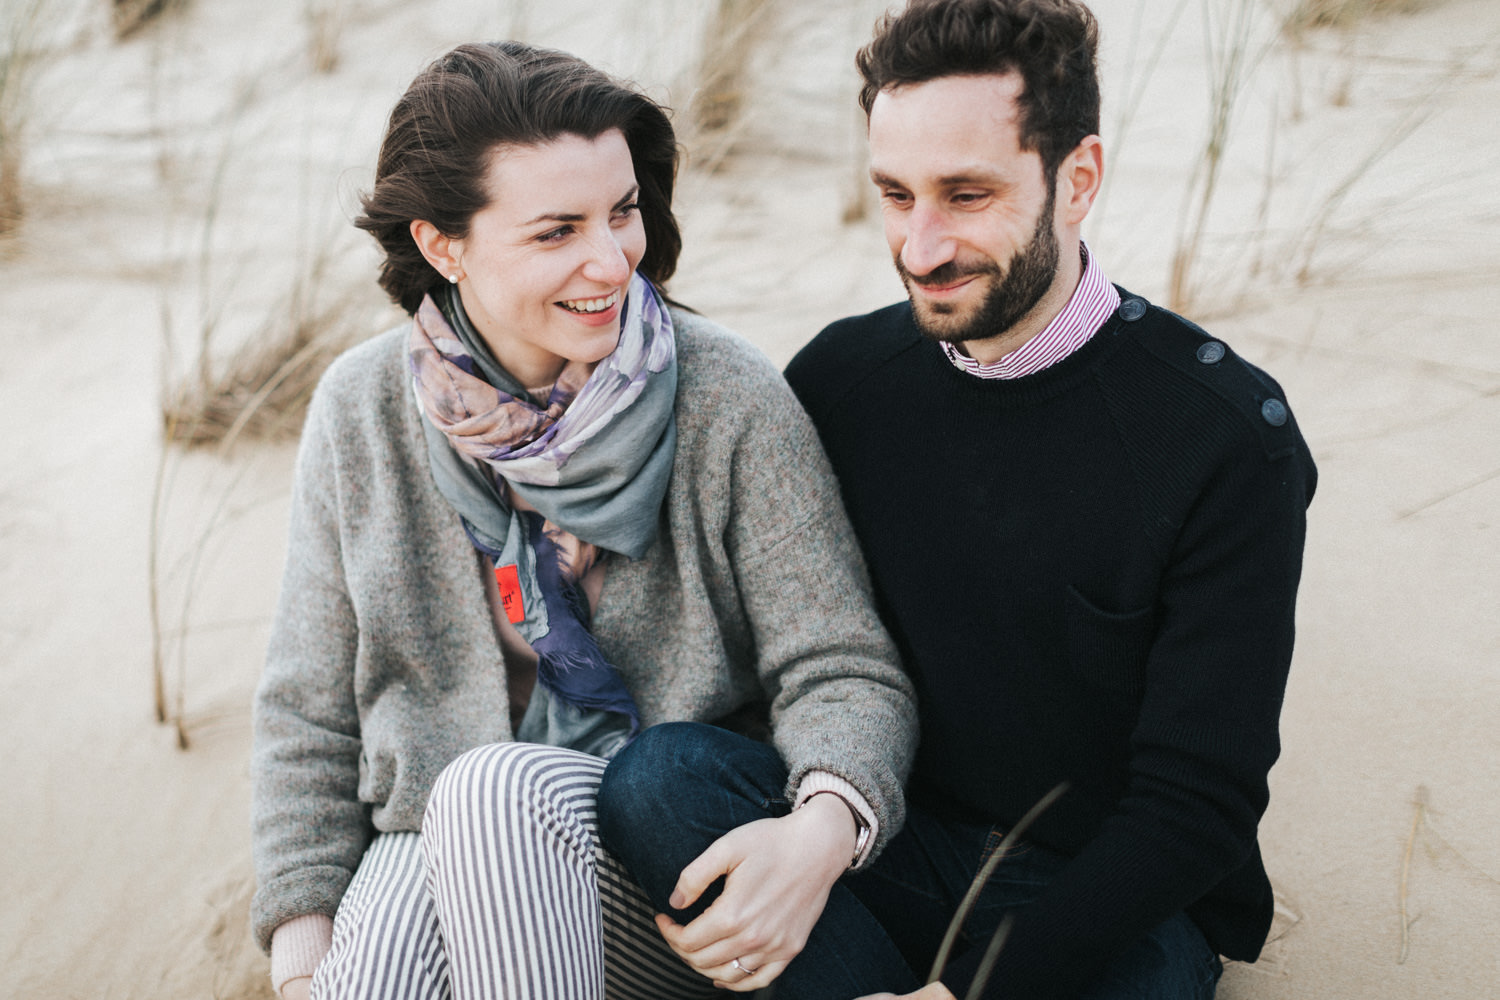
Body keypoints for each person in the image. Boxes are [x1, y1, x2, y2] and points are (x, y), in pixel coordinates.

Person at [598, 1, 1317, 999]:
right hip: (885, 839)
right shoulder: (842, 379)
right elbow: (759, 654)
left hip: (1102, 896)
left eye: (966, 195)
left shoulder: (1228, 438)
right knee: (662, 781)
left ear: (1079, 181)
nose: (921, 244)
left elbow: (1196, 807)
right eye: (896, 195)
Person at [248, 40, 917, 1000]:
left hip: (659, 871)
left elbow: (843, 668)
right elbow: (306, 707)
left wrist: (819, 829)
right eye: (558, 230)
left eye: (623, 211)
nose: (611, 260)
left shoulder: (727, 395)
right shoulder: (359, 410)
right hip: (429, 843)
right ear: (444, 245)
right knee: (370, 976)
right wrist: (302, 937)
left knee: (490, 792)